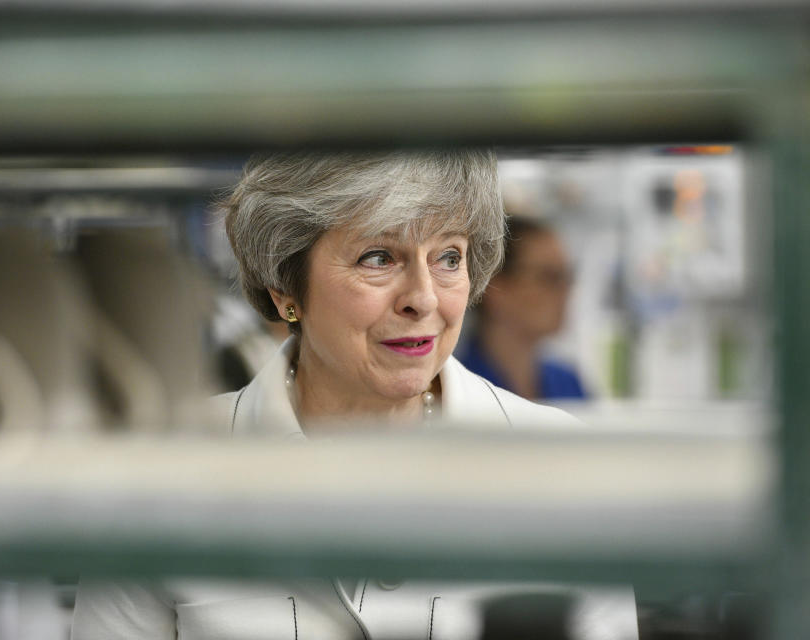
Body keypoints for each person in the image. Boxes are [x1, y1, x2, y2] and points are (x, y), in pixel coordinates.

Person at [71, 151, 637, 640]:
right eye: (378, 257)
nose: (423, 299)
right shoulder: (157, 474)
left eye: (448, 257)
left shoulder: (564, 468)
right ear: (286, 285)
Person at [458, 217, 587, 401]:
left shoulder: (567, 383)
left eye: (567, 276)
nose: (564, 290)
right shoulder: (459, 388)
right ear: (495, 287)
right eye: (549, 277)